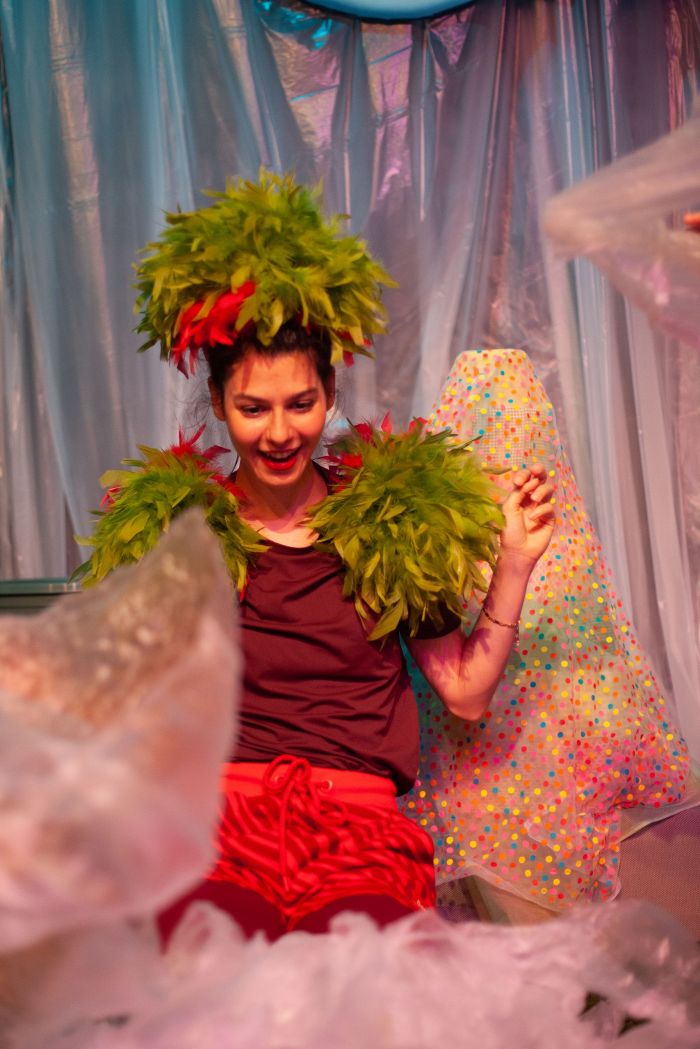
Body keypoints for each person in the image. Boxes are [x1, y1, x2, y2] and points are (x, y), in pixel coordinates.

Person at [79, 172, 555, 940]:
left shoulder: (393, 521)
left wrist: (516, 564)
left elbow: (466, 696)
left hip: (361, 834)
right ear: (218, 403)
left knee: (365, 972)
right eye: (253, 408)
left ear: (330, 392)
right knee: (208, 969)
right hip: (217, 828)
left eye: (299, 403)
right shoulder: (180, 533)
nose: (279, 432)